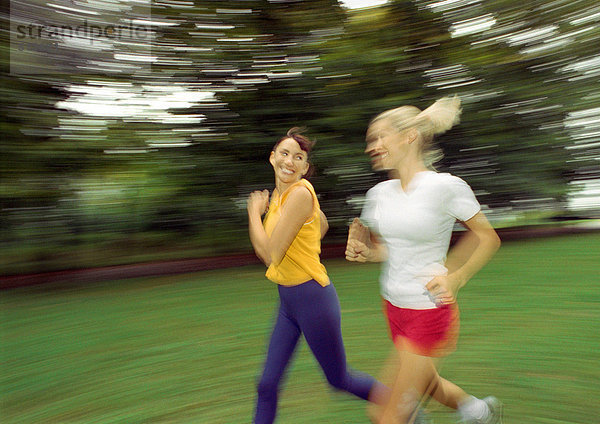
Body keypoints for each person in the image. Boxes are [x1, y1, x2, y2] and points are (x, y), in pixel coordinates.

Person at [346, 97, 503, 424]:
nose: (372, 147)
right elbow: (388, 249)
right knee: (427, 383)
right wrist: (368, 252)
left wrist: (456, 277)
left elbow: (487, 237)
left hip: (428, 309)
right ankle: (480, 411)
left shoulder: (445, 188)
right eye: (369, 140)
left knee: (384, 414)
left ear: (410, 136)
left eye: (380, 137)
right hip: (394, 306)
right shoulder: (379, 196)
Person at [247, 128, 390, 424]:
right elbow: (321, 225)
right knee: (266, 384)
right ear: (272, 158)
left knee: (339, 380)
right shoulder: (279, 195)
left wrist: (252, 214)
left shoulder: (299, 193)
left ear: (305, 168)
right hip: (288, 301)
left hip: (313, 299)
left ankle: (405, 407)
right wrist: (305, 238)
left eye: (298, 157)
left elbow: (270, 255)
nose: (290, 161)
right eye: (284, 153)